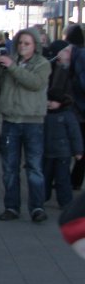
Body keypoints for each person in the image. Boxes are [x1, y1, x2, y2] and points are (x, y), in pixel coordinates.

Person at [0, 28, 51, 221]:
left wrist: (12, 67)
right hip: (10, 120)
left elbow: (34, 83)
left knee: (34, 167)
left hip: (33, 122)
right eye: (20, 43)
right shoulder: (10, 61)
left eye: (27, 43)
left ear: (35, 46)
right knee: (9, 168)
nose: (22, 46)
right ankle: (12, 207)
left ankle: (37, 207)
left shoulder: (42, 63)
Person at [43, 40, 83, 213]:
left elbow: (75, 134)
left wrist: (78, 151)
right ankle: (44, 197)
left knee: (61, 177)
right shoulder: (65, 65)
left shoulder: (73, 64)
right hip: (52, 150)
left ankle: (65, 201)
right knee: (51, 176)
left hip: (62, 151)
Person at [65, 23, 85, 189]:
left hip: (78, 109)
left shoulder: (78, 54)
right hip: (77, 108)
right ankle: (74, 180)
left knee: (75, 145)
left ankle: (72, 181)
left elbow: (80, 83)